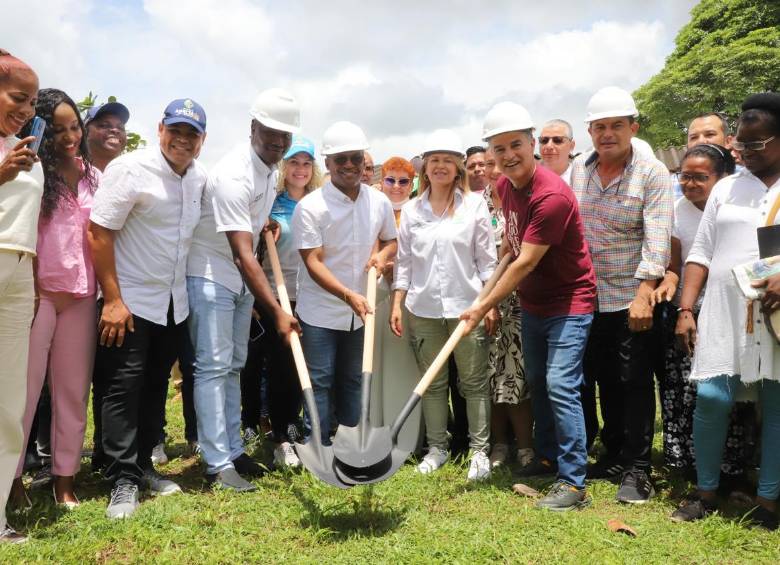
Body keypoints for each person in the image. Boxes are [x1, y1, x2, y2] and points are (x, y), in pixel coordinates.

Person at [461, 102, 597, 509]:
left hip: (570, 301)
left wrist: (484, 303)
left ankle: (574, 483)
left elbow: (526, 261)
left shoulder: (552, 196)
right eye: (498, 149)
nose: (508, 155)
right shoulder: (503, 186)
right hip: (536, 304)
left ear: (532, 143)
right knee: (537, 381)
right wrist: (489, 286)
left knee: (560, 384)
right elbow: (510, 243)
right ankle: (546, 456)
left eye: (515, 145)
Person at [89, 98, 209, 519]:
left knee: (155, 385)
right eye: (175, 130)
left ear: (202, 141)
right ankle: (121, 479)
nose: (182, 140)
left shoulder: (198, 178)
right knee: (123, 388)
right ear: (160, 129)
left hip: (173, 304)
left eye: (191, 134)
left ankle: (141, 467)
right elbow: (99, 232)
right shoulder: (131, 169)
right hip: (131, 302)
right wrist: (114, 300)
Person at [672, 93, 780, 530]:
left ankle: (768, 501)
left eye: (756, 144)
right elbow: (701, 249)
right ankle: (705, 492)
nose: (745, 151)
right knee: (713, 398)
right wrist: (685, 307)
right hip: (721, 307)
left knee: (775, 404)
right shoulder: (727, 187)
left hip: (774, 315)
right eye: (742, 142)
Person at [186, 88, 301, 490]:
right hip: (211, 275)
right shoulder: (234, 174)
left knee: (234, 364)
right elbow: (241, 254)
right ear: (253, 127)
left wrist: (263, 223)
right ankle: (218, 463)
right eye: (271, 132)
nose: (279, 142)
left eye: (286, 136)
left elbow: (249, 231)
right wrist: (278, 312)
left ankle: (234, 450)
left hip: (237, 278)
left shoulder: (269, 169)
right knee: (213, 366)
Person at [572, 86, 673, 503]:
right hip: (588, 297)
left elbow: (657, 235)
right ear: (590, 131)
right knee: (603, 379)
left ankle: (638, 468)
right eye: (600, 127)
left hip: (631, 296)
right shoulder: (581, 169)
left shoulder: (652, 172)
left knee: (634, 382)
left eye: (617, 125)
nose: (608, 134)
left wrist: (644, 292)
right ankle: (613, 454)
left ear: (633, 127)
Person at [10, 89, 99, 510]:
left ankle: (65, 480)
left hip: (81, 295)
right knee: (21, 393)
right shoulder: (31, 170)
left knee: (72, 391)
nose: (69, 136)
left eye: (74, 126)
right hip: (37, 293)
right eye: (59, 128)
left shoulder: (93, 175)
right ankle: (11, 480)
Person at [391, 129, 497, 481]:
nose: (439, 167)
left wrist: (489, 303)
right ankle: (437, 447)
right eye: (433, 161)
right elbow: (404, 264)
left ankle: (479, 451)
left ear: (457, 168)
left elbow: (487, 262)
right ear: (425, 169)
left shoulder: (474, 206)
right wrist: (397, 303)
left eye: (446, 161)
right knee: (432, 382)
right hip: (422, 308)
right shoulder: (412, 210)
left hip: (467, 307)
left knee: (474, 381)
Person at [293, 121, 397, 446]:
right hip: (320, 311)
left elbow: (391, 241)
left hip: (360, 309)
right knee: (320, 380)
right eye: (341, 159)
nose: (349, 165)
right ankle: (318, 444)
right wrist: (347, 294)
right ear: (328, 163)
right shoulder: (310, 207)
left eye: (355, 158)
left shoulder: (378, 201)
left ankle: (352, 444)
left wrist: (382, 257)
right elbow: (313, 262)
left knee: (354, 378)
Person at [651, 145, 743, 478]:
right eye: (684, 176)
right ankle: (681, 461)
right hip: (685, 312)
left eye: (699, 177)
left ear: (722, 178)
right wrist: (668, 288)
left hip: (728, 311)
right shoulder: (676, 211)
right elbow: (674, 264)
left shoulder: (737, 210)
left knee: (723, 392)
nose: (689, 184)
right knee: (680, 390)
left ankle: (731, 466)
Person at [254, 134, 323, 468]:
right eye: (294, 162)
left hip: (314, 296)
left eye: (306, 163)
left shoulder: (321, 202)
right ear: (284, 167)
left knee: (308, 367)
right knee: (281, 367)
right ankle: (280, 436)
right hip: (279, 298)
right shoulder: (272, 203)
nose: (300, 169)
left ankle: (296, 425)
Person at [0, 49, 40, 545]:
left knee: (9, 401)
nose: (26, 109)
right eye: (17, 97)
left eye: (31, 101)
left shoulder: (21, 143)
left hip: (19, 273)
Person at [479, 141, 533, 470]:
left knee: (515, 377)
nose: (494, 169)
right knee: (489, 376)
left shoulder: (523, 202)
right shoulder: (476, 208)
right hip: (482, 303)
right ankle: (498, 445)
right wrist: (486, 303)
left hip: (518, 304)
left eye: (497, 163)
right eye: (489, 164)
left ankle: (525, 445)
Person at [84, 100, 130, 473]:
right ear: (87, 131)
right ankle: (44, 453)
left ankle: (103, 452)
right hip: (69, 287)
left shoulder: (129, 175)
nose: (114, 129)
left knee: (106, 375)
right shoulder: (73, 172)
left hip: (108, 289)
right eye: (104, 123)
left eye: (119, 125)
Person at [84, 102, 129, 172]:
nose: (115, 130)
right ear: (85, 132)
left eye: (121, 127)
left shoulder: (132, 175)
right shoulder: (66, 173)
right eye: (104, 125)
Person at [380, 156, 415, 226]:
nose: (396, 186)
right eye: (390, 180)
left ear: (411, 187)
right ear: (382, 184)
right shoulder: (371, 214)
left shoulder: (419, 215)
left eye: (403, 181)